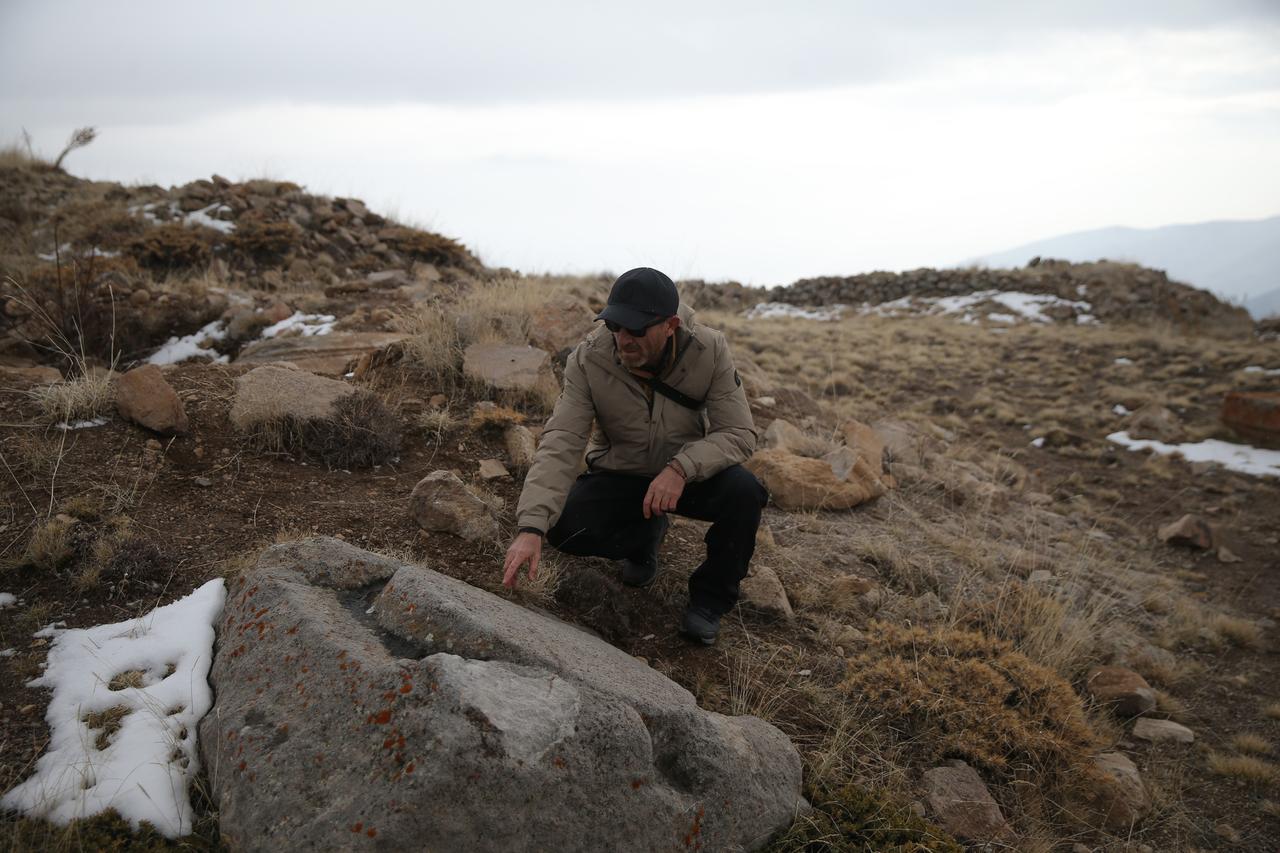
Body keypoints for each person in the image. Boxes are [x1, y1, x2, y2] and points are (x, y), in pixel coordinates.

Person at [502, 266, 768, 644]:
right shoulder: (588, 360)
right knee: (564, 526)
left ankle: (709, 602)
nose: (623, 339)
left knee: (745, 493)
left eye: (636, 330)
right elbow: (562, 440)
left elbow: (739, 433)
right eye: (615, 326)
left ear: (670, 324)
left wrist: (681, 467)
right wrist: (531, 527)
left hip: (686, 477)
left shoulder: (709, 351)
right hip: (622, 473)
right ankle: (644, 538)